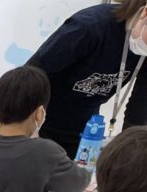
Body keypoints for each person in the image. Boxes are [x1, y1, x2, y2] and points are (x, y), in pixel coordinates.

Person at [28, 0, 147, 158]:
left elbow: (139, 105)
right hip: (41, 121)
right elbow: (31, 75)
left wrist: (130, 151)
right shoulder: (90, 26)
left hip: (86, 131)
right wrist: (24, 129)